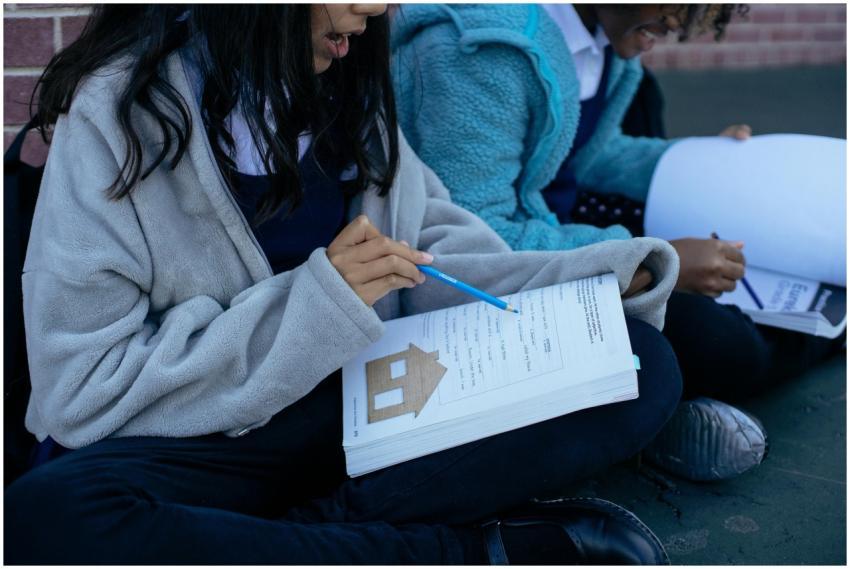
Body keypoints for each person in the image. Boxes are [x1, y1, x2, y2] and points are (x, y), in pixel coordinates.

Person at [5, 5, 686, 564]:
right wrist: (316, 301)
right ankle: (461, 549)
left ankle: (297, 539)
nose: (377, 8)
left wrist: (590, 280)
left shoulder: (349, 88)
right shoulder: (121, 113)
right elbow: (81, 385)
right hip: (203, 445)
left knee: (640, 361)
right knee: (43, 516)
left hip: (359, 416)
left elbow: (434, 253)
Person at [391, 3, 843, 482]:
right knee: (715, 340)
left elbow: (590, 156)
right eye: (680, 8)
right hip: (480, 277)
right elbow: (475, 239)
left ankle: (681, 398)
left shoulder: (610, 37)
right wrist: (651, 262)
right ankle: (808, 341)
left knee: (743, 272)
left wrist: (701, 160)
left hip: (552, 229)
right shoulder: (482, 53)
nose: (680, 25)